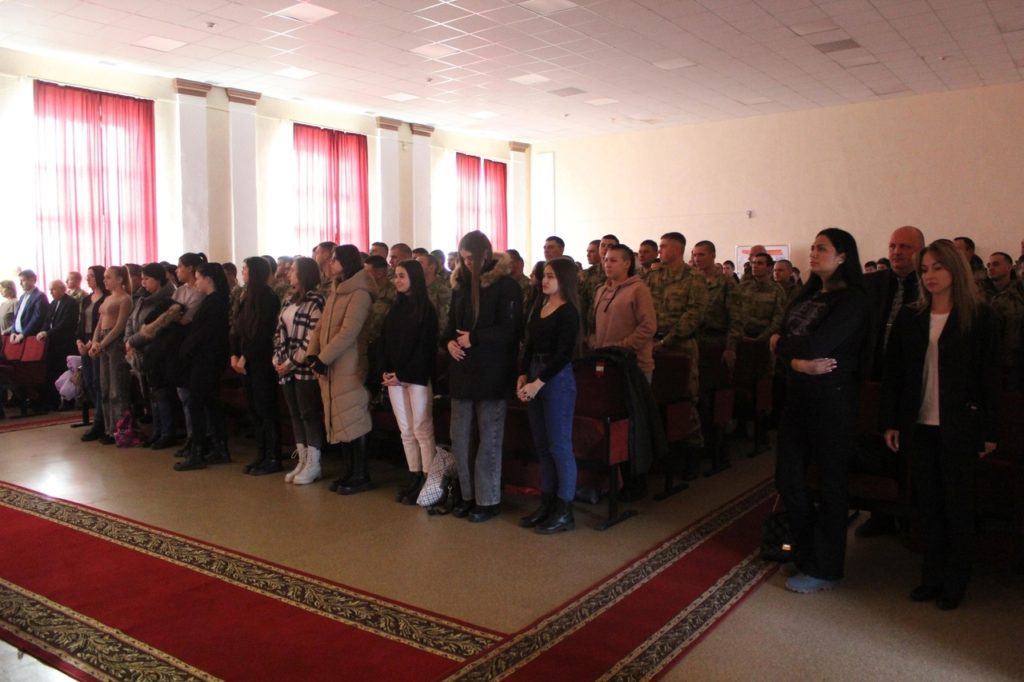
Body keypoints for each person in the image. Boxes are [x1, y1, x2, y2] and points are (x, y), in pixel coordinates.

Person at [881, 239, 1000, 610]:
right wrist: (890, 421)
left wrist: (990, 431)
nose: (929, 275)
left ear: (955, 270)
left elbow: (990, 377)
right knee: (928, 505)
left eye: (938, 267)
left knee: (957, 505)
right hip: (920, 423)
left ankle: (956, 580)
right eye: (924, 269)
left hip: (960, 424)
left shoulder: (980, 316)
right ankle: (931, 576)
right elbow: (894, 375)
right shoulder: (911, 317)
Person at [771, 227, 869, 594]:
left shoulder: (853, 300)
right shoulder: (807, 294)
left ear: (842, 256)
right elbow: (779, 338)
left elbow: (817, 345)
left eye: (822, 248)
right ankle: (805, 551)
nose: (813, 253)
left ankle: (825, 567)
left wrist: (784, 348)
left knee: (830, 485)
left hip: (832, 400)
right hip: (797, 395)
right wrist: (795, 361)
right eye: (812, 247)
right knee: (788, 478)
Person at [445, 231, 523, 522]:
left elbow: (511, 330)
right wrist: (448, 343)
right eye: (463, 258)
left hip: (493, 372)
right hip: (462, 371)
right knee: (460, 439)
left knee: (489, 439)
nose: (467, 264)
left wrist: (475, 338)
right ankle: (467, 495)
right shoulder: (459, 285)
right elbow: (449, 326)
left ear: (485, 256)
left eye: (471, 259)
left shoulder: (505, 286)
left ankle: (488, 499)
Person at [517, 257, 581, 534]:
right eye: (544, 275)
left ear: (564, 279)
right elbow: (529, 344)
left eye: (551, 276)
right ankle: (547, 501)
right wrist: (523, 374)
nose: (544, 280)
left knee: (559, 446)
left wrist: (538, 382)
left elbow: (564, 354)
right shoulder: (540, 306)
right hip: (535, 372)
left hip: (556, 378)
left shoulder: (569, 312)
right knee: (542, 445)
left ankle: (564, 508)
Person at [306, 245, 376, 493]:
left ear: (346, 262)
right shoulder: (337, 289)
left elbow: (349, 332)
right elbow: (321, 326)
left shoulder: (360, 292)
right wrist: (312, 354)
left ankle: (361, 474)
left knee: (353, 418)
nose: (331, 263)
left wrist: (323, 359)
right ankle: (348, 471)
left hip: (349, 364)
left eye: (335, 260)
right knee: (339, 417)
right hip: (332, 363)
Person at [380, 259, 438, 505]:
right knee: (406, 430)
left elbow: (425, 349)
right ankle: (414, 474)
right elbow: (385, 341)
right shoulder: (396, 308)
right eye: (396, 276)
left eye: (402, 276)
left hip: (416, 377)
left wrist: (404, 373)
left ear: (414, 277)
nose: (397, 280)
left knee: (422, 429)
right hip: (396, 377)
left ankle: (428, 477)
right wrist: (387, 371)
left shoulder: (426, 310)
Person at [174, 263, 231, 471]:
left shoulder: (215, 302)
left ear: (209, 279)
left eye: (198, 278)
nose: (196, 282)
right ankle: (219, 448)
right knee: (210, 403)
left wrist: (187, 350)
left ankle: (197, 452)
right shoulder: (213, 300)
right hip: (207, 358)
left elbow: (204, 333)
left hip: (207, 359)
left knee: (196, 404)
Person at [231, 256, 283, 475]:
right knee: (253, 408)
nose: (243, 272)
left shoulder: (268, 297)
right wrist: (234, 354)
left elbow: (263, 330)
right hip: (245, 359)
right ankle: (261, 453)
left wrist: (246, 356)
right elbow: (237, 327)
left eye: (245, 269)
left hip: (261, 359)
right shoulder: (246, 295)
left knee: (265, 408)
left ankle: (273, 456)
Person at [124, 263, 177, 449]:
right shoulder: (142, 298)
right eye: (142, 279)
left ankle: (167, 432)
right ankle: (157, 430)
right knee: (151, 394)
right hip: (142, 352)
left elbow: (156, 328)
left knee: (161, 394)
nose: (143, 282)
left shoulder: (168, 298)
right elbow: (131, 320)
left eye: (147, 279)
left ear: (158, 279)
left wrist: (133, 341)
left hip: (159, 352)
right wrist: (128, 339)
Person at [589, 244, 657, 381]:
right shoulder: (601, 290)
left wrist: (620, 347)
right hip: (606, 361)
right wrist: (593, 340)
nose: (607, 264)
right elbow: (595, 323)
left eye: (613, 260)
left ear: (627, 264)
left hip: (633, 365)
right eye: (605, 260)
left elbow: (648, 327)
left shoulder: (639, 289)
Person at [89, 266, 132, 445]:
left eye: (109, 277)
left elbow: (120, 326)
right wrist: (94, 342)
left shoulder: (125, 298)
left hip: (114, 344)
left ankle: (120, 428)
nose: (105, 280)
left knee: (116, 389)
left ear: (120, 279)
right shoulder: (107, 298)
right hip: (103, 342)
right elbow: (99, 323)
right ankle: (109, 428)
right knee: (105, 387)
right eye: (104, 277)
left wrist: (102, 343)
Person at [37, 280, 80, 410]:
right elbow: (47, 321)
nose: (51, 292)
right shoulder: (53, 303)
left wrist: (48, 333)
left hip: (65, 343)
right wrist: (42, 331)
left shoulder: (71, 303)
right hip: (52, 343)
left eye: (53, 289)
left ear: (62, 289)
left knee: (65, 372)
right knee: (53, 372)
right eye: (50, 290)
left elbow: (66, 323)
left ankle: (68, 401)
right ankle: (53, 401)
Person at [77, 267, 108, 441]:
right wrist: (79, 341)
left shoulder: (106, 298)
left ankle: (100, 422)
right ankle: (98, 415)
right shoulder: (86, 299)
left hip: (97, 344)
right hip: (85, 343)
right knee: (88, 381)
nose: (88, 279)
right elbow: (81, 322)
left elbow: (101, 324)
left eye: (91, 276)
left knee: (98, 382)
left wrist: (90, 343)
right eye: (87, 276)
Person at [10, 270, 48, 343]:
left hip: (30, 337)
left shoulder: (40, 296)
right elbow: (17, 316)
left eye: (23, 280)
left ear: (32, 280)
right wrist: (13, 332)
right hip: (17, 335)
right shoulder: (22, 297)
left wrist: (23, 334)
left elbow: (37, 318)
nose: (20, 283)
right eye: (20, 281)